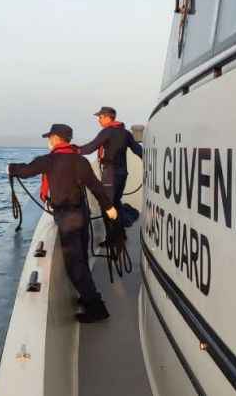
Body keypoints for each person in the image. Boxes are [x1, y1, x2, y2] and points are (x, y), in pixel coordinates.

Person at [8, 124, 118, 323]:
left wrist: (11, 168)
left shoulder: (49, 160)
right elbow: (96, 187)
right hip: (82, 213)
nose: (48, 141)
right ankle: (88, 295)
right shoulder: (80, 161)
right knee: (81, 258)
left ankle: (96, 307)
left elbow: (26, 170)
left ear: (56, 138)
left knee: (74, 264)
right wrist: (109, 207)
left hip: (67, 217)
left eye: (50, 137)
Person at [76, 107, 143, 240]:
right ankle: (120, 234)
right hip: (123, 174)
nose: (99, 120)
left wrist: (72, 150)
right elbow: (138, 150)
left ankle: (112, 239)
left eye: (100, 117)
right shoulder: (126, 133)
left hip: (110, 174)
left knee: (106, 205)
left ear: (108, 117)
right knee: (116, 203)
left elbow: (90, 148)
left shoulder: (107, 131)